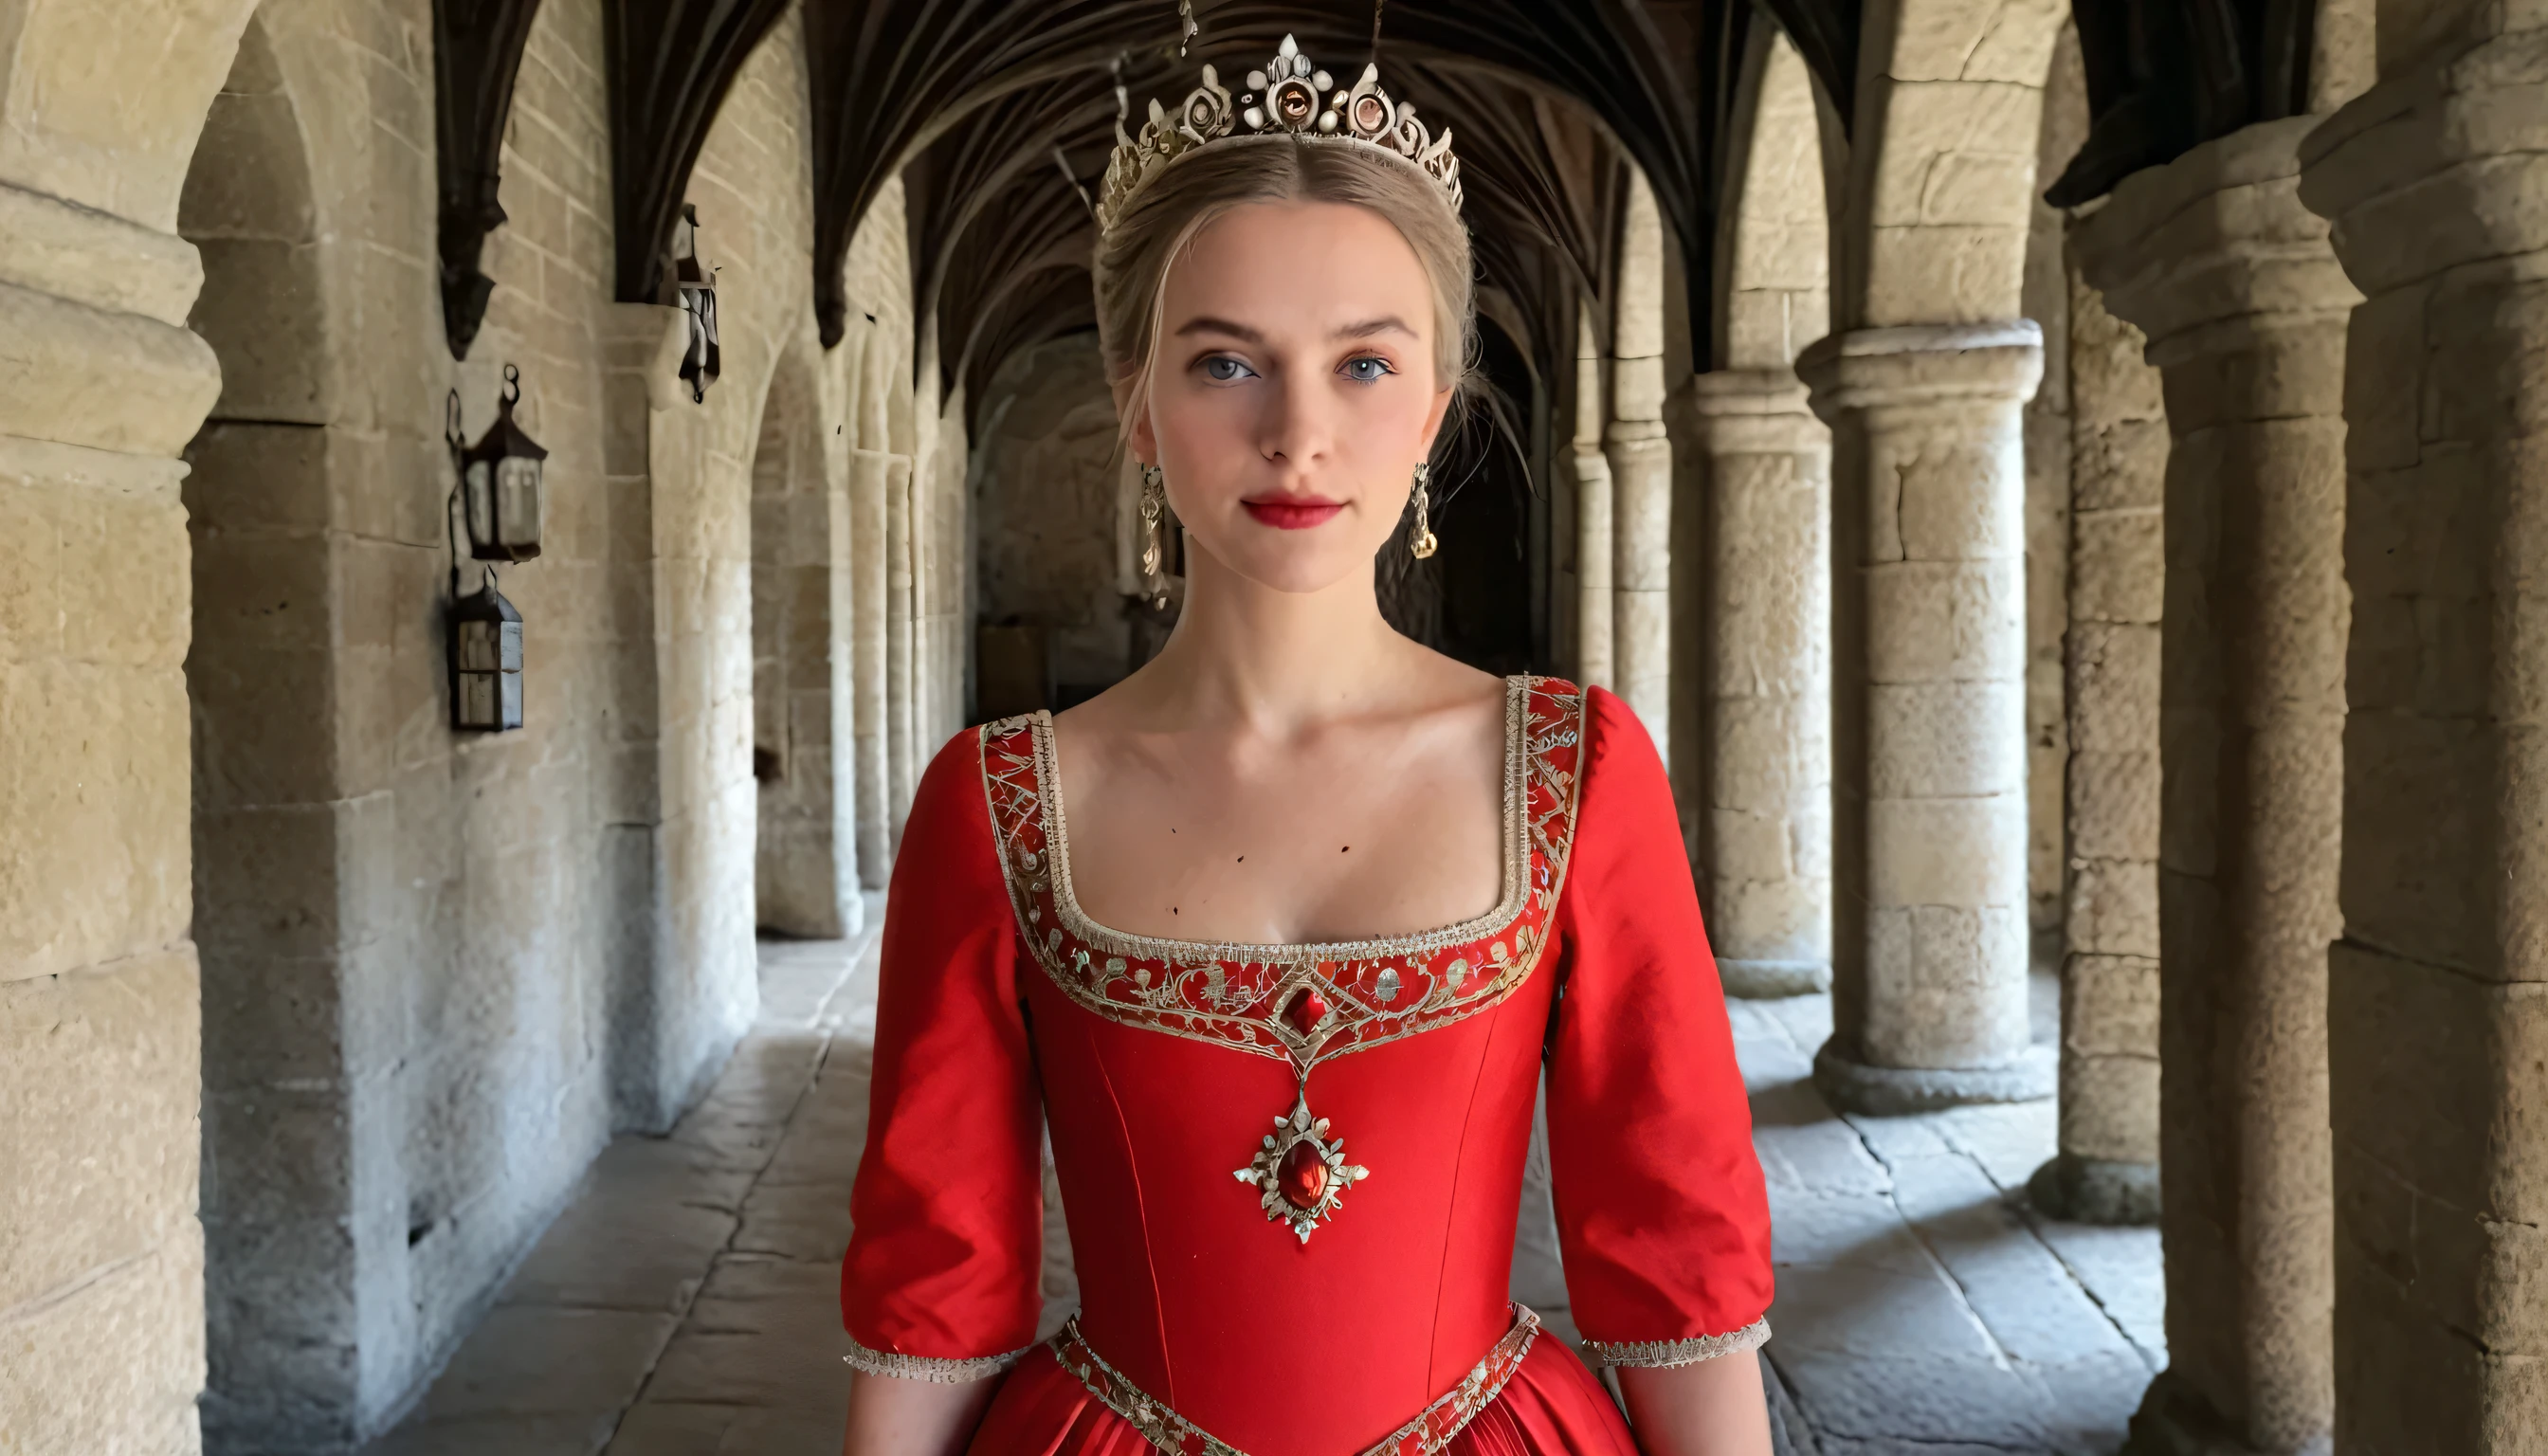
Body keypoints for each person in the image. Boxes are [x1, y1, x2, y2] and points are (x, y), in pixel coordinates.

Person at [837, 35, 1773, 1456]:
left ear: (1434, 412)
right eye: (1226, 363)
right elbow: (935, 1282)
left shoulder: (1574, 776)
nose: (1298, 435)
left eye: (1363, 365)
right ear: (1136, 400)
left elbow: (1677, 1257)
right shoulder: (1000, 805)